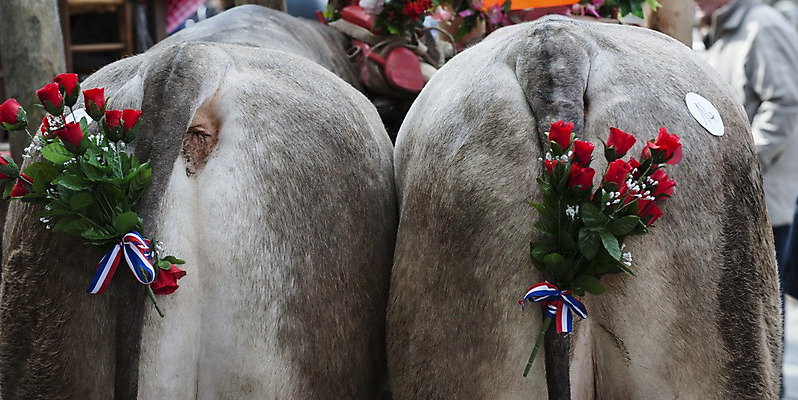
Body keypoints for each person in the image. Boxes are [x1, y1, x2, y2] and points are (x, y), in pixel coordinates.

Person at [696, 0, 798, 285]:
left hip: (761, 199)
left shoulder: (763, 27)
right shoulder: (727, 30)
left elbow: (786, 104)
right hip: (736, 194)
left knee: (762, 315)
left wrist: (743, 164)